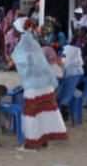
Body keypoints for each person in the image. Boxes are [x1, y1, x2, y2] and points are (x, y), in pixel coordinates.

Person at [10, 17, 68, 148]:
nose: (12, 31)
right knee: (44, 111)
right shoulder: (32, 41)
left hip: (33, 83)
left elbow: (22, 61)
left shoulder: (24, 43)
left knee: (32, 113)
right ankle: (43, 140)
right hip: (44, 82)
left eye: (14, 28)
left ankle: (31, 142)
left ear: (20, 30)